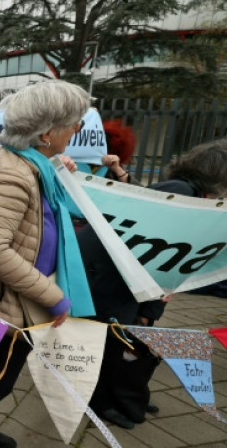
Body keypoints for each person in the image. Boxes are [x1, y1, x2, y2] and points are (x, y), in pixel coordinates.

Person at [0, 80, 95, 448]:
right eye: (73, 123)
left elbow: (41, 217)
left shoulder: (31, 163)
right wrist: (53, 295)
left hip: (12, 298)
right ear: (45, 133)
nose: (77, 129)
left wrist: (57, 171)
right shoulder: (11, 173)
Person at [81, 138, 227, 428]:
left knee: (127, 340)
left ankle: (123, 396)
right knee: (112, 344)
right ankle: (99, 404)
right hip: (112, 279)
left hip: (128, 280)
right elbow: (155, 248)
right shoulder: (181, 192)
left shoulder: (186, 191)